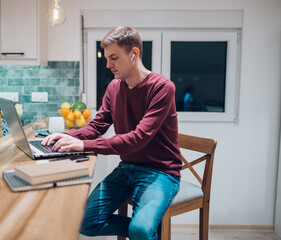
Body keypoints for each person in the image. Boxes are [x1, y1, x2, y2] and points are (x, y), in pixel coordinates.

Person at [42, 26, 182, 240]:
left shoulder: (162, 88)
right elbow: (97, 125)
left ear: (133, 54)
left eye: (114, 58)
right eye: (107, 58)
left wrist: (84, 146)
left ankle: (144, 230)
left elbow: (138, 139)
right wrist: (70, 136)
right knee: (84, 223)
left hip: (161, 172)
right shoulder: (114, 88)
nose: (108, 65)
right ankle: (146, 231)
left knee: (141, 230)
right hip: (127, 168)